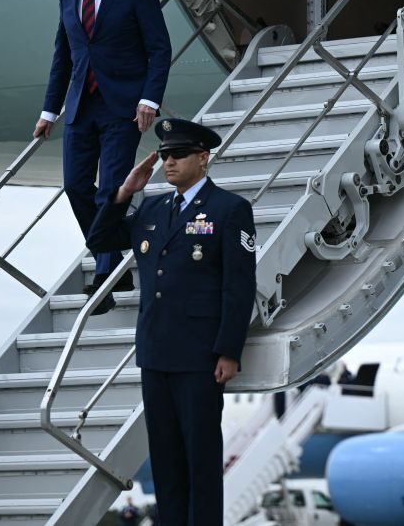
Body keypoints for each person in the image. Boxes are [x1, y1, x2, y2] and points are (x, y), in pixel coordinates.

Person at [87, 118, 256, 525]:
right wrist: (125, 191)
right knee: (165, 458)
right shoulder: (153, 207)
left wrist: (229, 350)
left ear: (203, 157)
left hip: (200, 355)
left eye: (178, 154)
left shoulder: (229, 209)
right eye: (164, 155)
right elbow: (100, 239)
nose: (168, 162)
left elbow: (239, 286)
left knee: (200, 458)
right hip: (155, 351)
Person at [35, 0, 172, 315]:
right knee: (75, 186)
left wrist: (149, 99)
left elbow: (159, 49)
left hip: (123, 106)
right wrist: (48, 110)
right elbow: (64, 57)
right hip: (80, 106)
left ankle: (106, 274)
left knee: (110, 187)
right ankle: (112, 251)